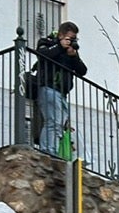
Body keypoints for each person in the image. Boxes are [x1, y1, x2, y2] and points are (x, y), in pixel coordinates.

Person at [34, 22, 87, 156]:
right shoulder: (47, 42)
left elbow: (82, 70)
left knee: (58, 124)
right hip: (48, 87)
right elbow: (41, 54)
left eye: (74, 38)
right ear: (61, 35)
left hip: (62, 93)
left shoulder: (70, 52)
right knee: (52, 121)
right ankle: (48, 151)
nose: (72, 41)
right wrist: (59, 46)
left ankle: (53, 151)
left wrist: (73, 56)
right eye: (70, 38)